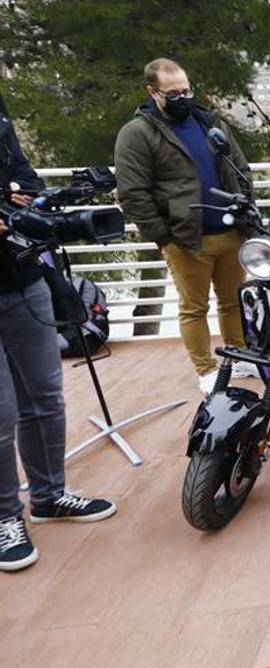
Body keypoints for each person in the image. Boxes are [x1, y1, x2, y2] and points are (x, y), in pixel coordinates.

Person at [1, 93, 116, 573]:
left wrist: (22, 197)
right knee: (0, 414)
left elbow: (22, 172)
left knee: (46, 396)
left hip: (24, 278)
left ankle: (49, 496)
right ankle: (6, 518)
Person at [115, 58, 258, 393]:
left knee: (233, 300)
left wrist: (245, 204)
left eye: (186, 89)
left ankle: (238, 356)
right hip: (186, 239)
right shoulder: (136, 134)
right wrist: (164, 237)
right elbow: (132, 194)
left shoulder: (209, 122)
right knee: (194, 307)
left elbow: (239, 167)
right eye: (174, 92)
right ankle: (206, 369)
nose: (183, 96)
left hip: (231, 231)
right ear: (153, 92)